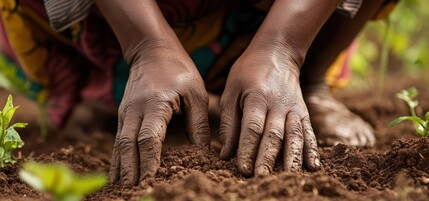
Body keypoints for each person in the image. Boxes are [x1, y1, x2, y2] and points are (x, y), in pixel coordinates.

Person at [0, 0, 396, 186]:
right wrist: (146, 45)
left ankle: (308, 81)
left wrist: (282, 48)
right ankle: (106, 86)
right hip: (113, 25)